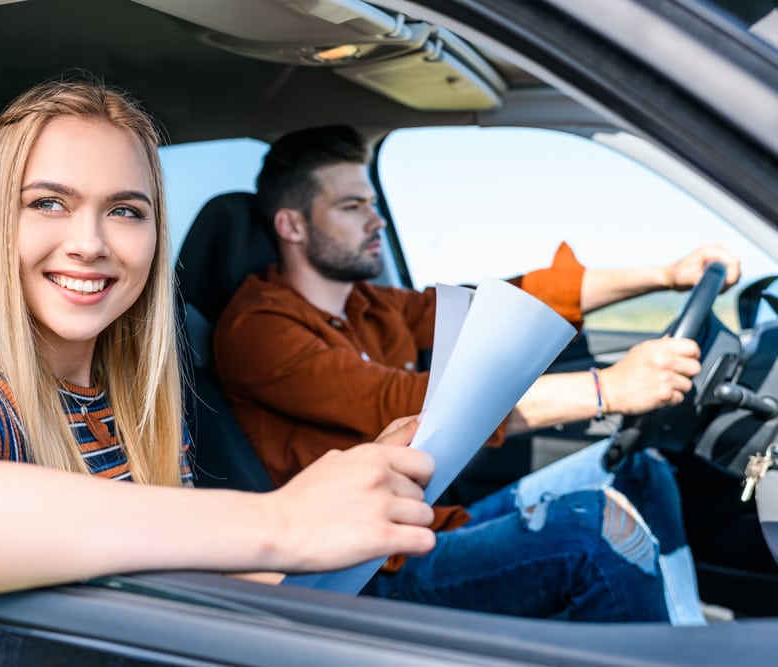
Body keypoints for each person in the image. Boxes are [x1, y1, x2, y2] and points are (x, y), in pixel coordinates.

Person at [0, 82, 442, 598]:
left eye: (125, 210)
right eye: (49, 203)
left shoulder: (137, 398)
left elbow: (203, 575)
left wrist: (348, 499)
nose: (90, 243)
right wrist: (278, 520)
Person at [214, 125, 742, 624]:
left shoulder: (372, 305)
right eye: (352, 207)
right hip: (369, 567)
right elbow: (417, 405)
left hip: (427, 523)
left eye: (373, 203)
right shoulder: (259, 329)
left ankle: (685, 636)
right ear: (292, 225)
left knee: (642, 470)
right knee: (591, 527)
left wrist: (666, 276)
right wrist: (609, 389)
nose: (377, 221)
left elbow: (510, 302)